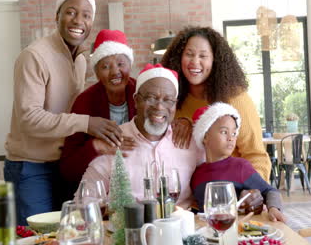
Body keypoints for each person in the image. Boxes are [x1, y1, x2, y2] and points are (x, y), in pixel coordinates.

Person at [4, 0, 123, 225]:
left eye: (86, 15)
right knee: (36, 237)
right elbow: (30, 119)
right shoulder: (34, 56)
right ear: (56, 16)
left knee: (66, 235)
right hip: (30, 168)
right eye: (71, 12)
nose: (79, 20)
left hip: (62, 166)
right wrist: (87, 123)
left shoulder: (80, 59)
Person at [81, 64, 204, 208]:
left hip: (181, 227)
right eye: (151, 98)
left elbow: (211, 182)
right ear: (136, 100)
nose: (159, 107)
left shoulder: (190, 140)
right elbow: (85, 200)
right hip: (129, 228)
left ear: (175, 105)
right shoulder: (113, 141)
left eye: (168, 100)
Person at [161, 26, 271, 182]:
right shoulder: (172, 99)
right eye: (189, 54)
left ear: (215, 60)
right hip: (191, 194)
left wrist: (253, 191)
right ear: (179, 58)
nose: (195, 62)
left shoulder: (234, 97)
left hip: (233, 191)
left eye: (203, 56)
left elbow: (256, 155)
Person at [60, 29, 138, 201]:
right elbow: (67, 169)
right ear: (96, 72)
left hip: (137, 184)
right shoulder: (84, 102)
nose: (114, 72)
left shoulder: (141, 94)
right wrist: (96, 146)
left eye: (120, 63)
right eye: (105, 66)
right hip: (97, 191)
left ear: (130, 65)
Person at [190, 103, 285, 222]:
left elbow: (270, 191)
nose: (231, 138)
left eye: (234, 133)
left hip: (235, 232)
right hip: (206, 234)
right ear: (205, 137)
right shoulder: (196, 174)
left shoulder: (240, 167)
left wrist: (273, 208)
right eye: (224, 132)